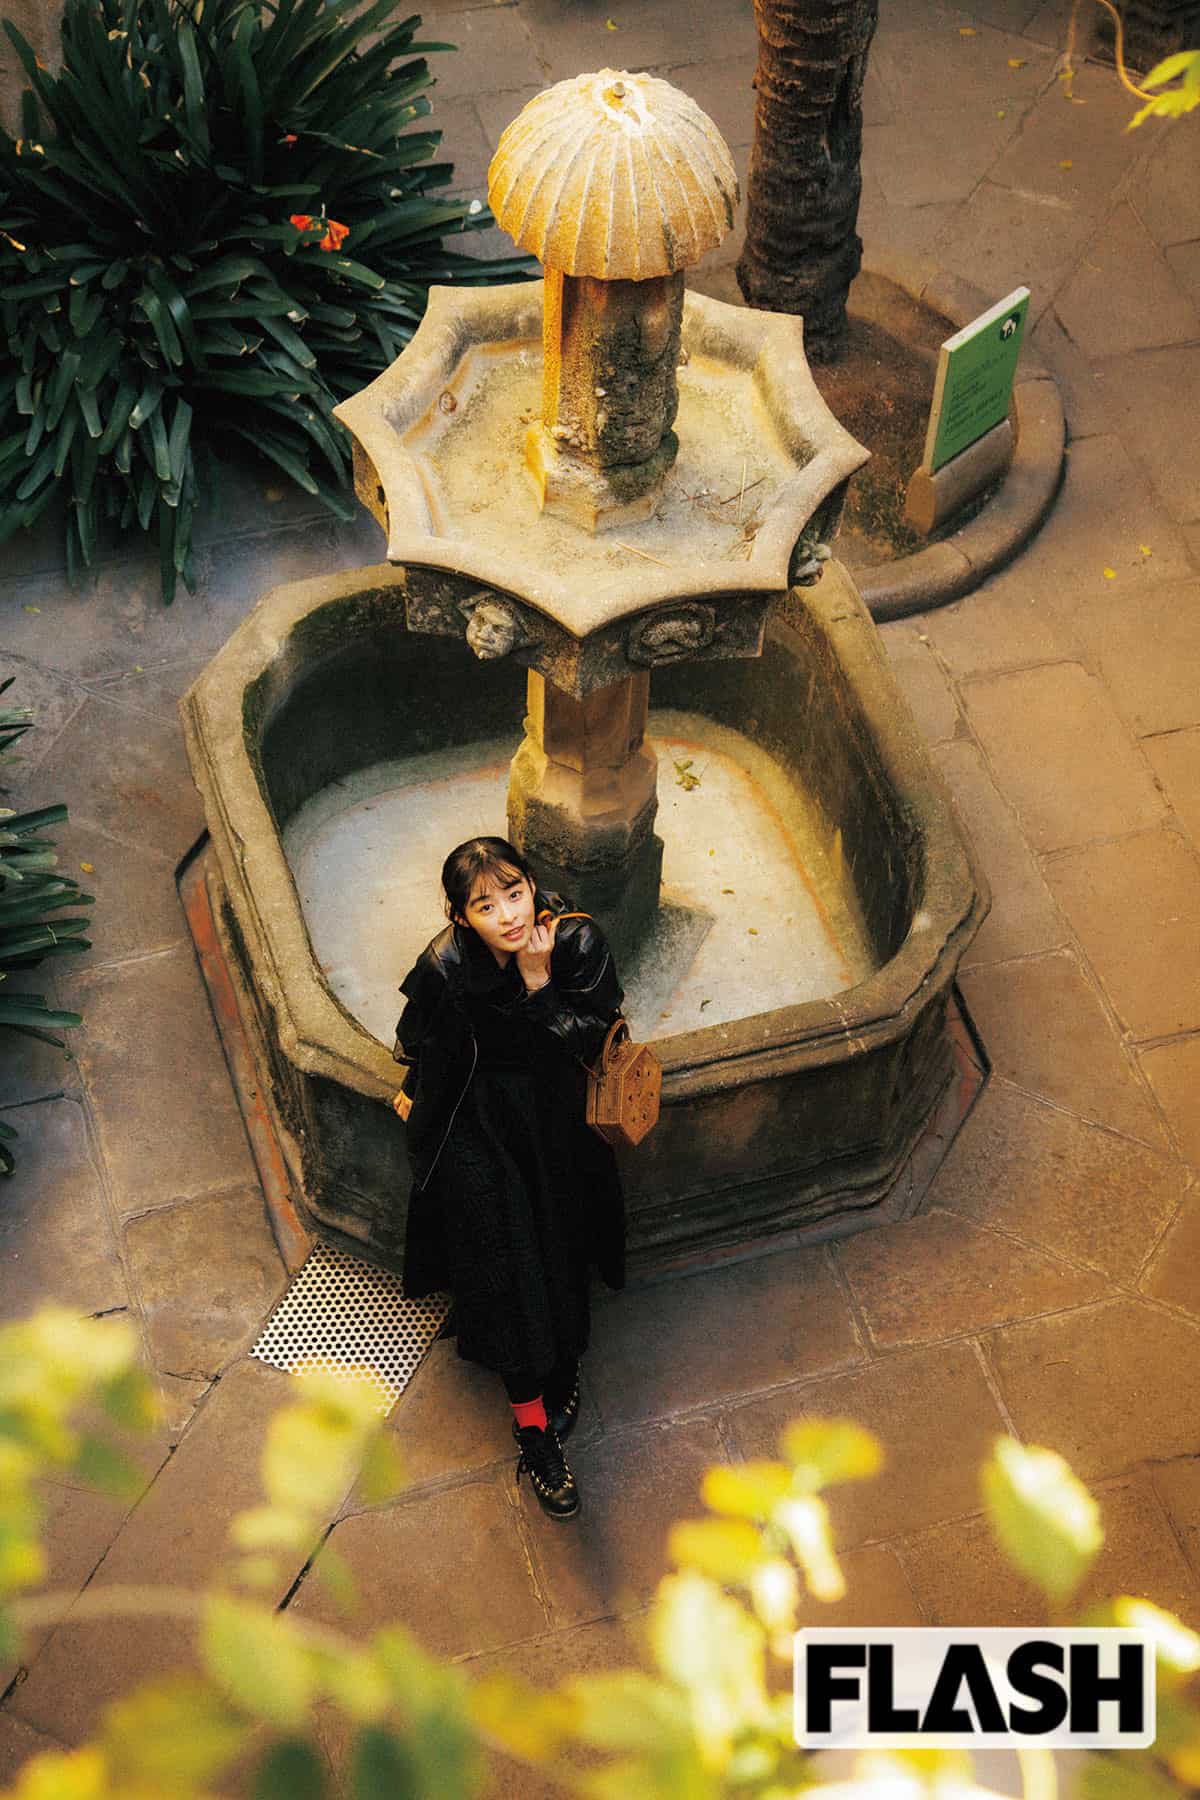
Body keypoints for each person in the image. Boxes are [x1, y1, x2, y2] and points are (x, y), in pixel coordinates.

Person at [391, 836, 625, 1521]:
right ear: (461, 916)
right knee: (505, 1255)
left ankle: (565, 1359)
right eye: (486, 906)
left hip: (555, 1112)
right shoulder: (444, 962)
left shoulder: (575, 940)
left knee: (558, 1240)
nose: (509, 915)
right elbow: (415, 1039)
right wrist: (415, 1093)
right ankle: (533, 1429)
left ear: (531, 884)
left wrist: (538, 982)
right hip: (476, 1120)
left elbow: (594, 1039)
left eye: (515, 893)